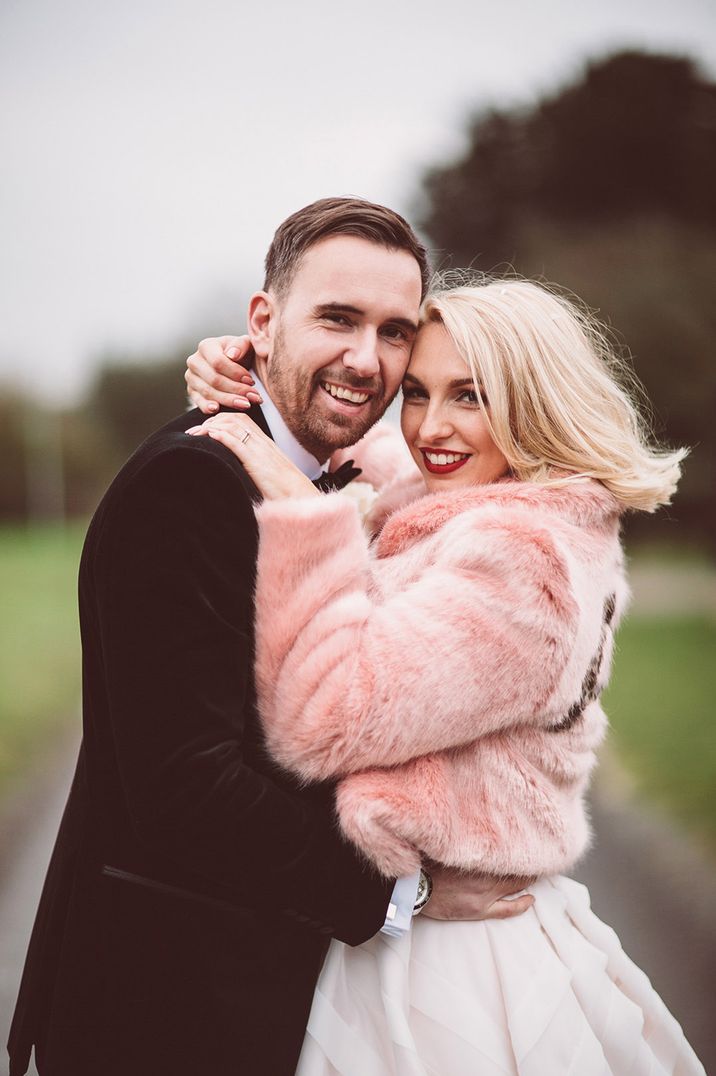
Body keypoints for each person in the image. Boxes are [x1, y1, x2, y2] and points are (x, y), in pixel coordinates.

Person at [7, 199, 532, 1076]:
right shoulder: (192, 485)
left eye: (394, 332)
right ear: (262, 321)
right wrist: (408, 889)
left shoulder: (341, 477)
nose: (366, 360)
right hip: (168, 1014)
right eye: (337, 318)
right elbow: (187, 789)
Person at [185, 276, 705, 1074]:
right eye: (418, 393)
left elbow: (323, 720)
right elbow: (390, 456)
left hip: (448, 973)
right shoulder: (496, 504)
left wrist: (306, 517)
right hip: (416, 937)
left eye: (470, 395)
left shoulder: (521, 560)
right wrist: (244, 369)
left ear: (533, 401)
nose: (432, 426)